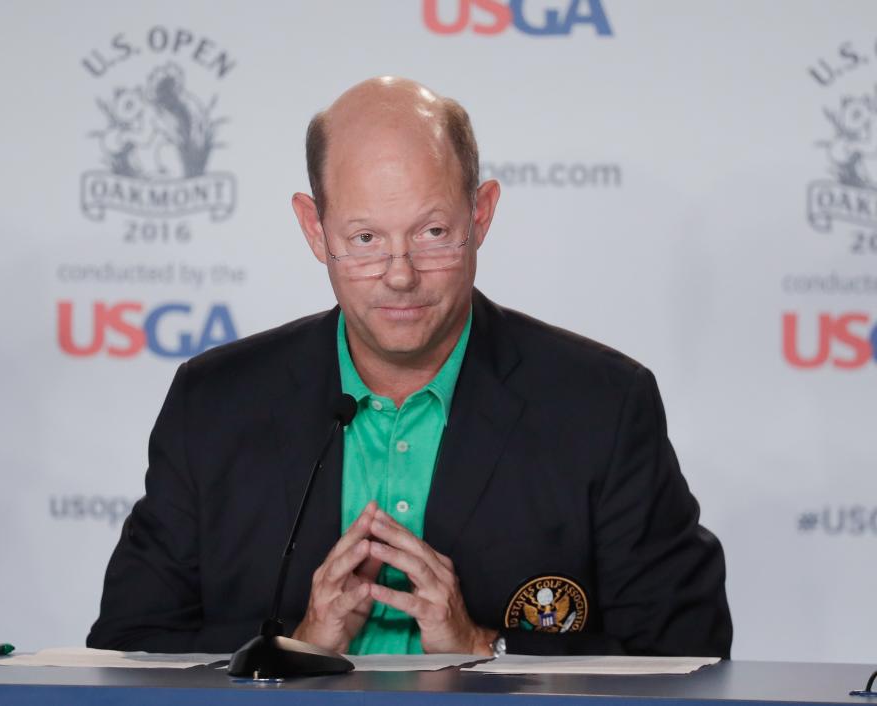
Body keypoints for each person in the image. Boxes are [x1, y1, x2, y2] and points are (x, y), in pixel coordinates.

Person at [87, 77, 732, 658]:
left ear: (480, 215)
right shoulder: (215, 402)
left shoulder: (603, 405)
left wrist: (486, 647)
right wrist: (293, 649)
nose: (400, 275)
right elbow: (126, 646)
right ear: (316, 231)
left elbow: (689, 650)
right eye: (366, 239)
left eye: (431, 233)